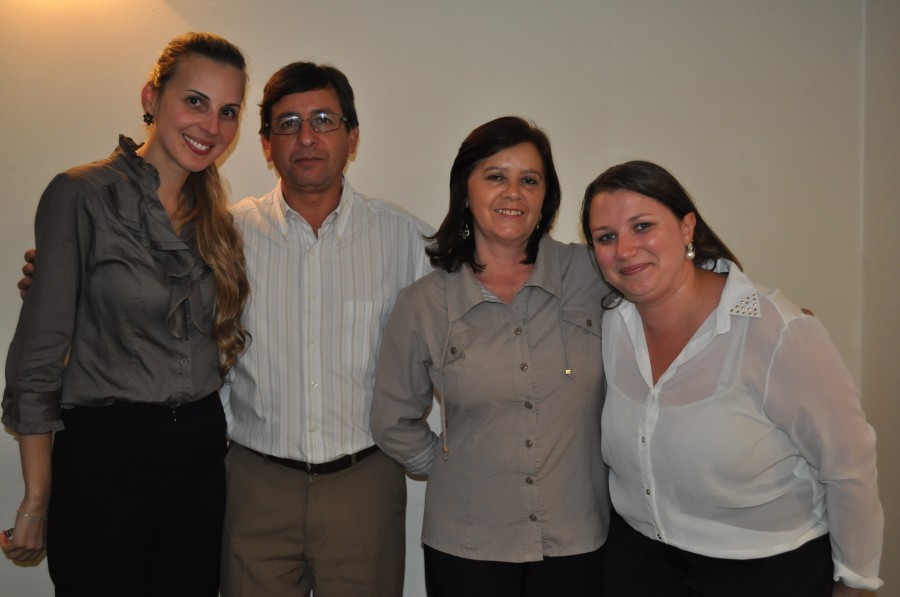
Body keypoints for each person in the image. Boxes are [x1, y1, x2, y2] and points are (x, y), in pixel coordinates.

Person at [1, 32, 250, 597]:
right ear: (151, 97)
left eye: (227, 111)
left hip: (201, 459)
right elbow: (37, 360)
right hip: (105, 455)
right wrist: (37, 499)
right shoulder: (81, 195)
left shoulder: (222, 222)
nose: (211, 126)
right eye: (195, 101)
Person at [580, 160, 883, 597]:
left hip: (764, 569)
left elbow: (849, 464)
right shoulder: (613, 323)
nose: (625, 250)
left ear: (687, 228)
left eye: (642, 226)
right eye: (606, 237)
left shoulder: (774, 330)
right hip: (640, 561)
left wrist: (855, 582)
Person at [219, 62, 433, 597]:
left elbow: (470, 328)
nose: (307, 137)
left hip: (365, 485)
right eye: (288, 124)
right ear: (266, 144)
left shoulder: (406, 241)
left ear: (352, 137)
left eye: (323, 120)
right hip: (254, 485)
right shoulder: (224, 237)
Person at [371, 116, 609, 597]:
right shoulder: (424, 303)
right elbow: (392, 419)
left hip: (577, 539)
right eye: (496, 176)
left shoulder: (591, 273)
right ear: (465, 189)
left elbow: (664, 282)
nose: (513, 193)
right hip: (467, 547)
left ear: (547, 196)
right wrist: (450, 465)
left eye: (530, 180)